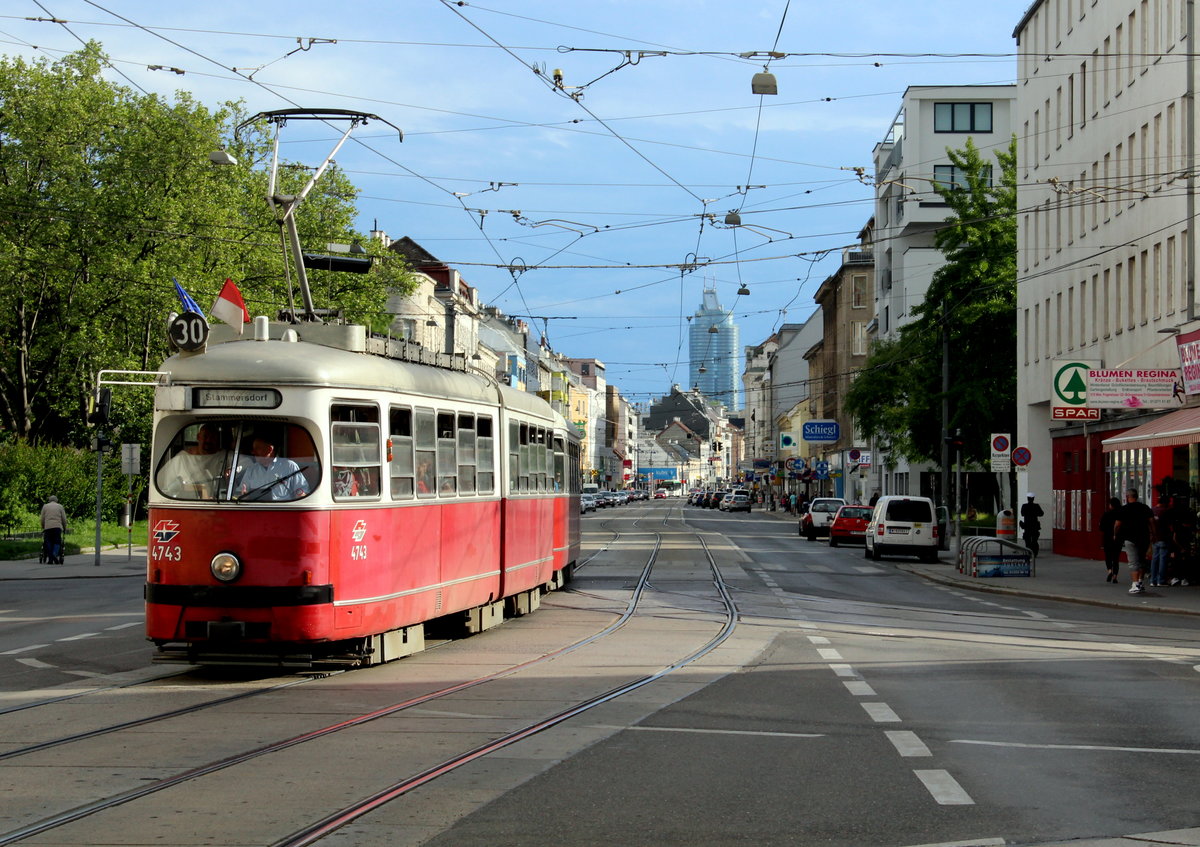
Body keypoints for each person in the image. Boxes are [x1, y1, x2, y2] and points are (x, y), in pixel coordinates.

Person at [159, 423, 230, 499]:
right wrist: (200, 488)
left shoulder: (224, 456)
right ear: (198, 437)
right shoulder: (181, 458)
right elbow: (168, 487)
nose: (209, 440)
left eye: (212, 437)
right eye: (205, 436)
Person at [237, 436, 308, 501]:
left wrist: (300, 495)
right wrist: (244, 496)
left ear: (270, 449)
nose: (253, 452)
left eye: (258, 448)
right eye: (253, 449)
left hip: (282, 510)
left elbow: (301, 490)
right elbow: (241, 493)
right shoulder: (251, 469)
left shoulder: (289, 466)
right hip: (257, 511)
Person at [1114, 488, 1155, 594]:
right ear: (1137, 496)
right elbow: (1151, 522)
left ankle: (1135, 584)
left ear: (1128, 497)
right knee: (1142, 560)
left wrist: (1115, 534)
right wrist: (1153, 534)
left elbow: (1117, 525)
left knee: (1133, 562)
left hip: (1129, 538)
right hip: (1144, 537)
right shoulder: (1145, 508)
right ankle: (1140, 582)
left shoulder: (1124, 509)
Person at [1099, 496, 1123, 583]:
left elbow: (1101, 527)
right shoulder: (1121, 514)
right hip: (1118, 538)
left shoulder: (1106, 514)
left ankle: (1109, 571)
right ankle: (1115, 576)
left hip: (1107, 538)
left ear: (1111, 505)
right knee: (1116, 558)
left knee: (1108, 556)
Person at [39, 495, 67, 564]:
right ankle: (54, 553)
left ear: (49, 500)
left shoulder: (45, 506)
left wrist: (43, 526)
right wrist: (64, 527)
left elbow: (42, 518)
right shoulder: (60, 506)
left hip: (48, 527)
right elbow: (64, 519)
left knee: (48, 542)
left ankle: (50, 558)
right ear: (56, 500)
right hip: (57, 527)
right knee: (57, 541)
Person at [1020, 492, 1044, 557]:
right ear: (1033, 498)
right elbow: (1041, 513)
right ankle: (1034, 553)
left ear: (1027, 498)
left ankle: (1028, 552)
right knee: (1034, 541)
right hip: (1034, 526)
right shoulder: (1036, 506)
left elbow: (1022, 513)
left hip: (1027, 526)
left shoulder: (1024, 506)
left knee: (1027, 541)